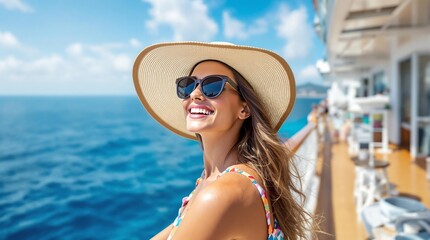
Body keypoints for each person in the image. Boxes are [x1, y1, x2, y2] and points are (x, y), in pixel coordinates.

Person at [133, 42, 312, 240]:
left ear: (244, 109)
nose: (195, 94)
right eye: (188, 85)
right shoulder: (213, 180)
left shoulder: (222, 193)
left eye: (212, 85)